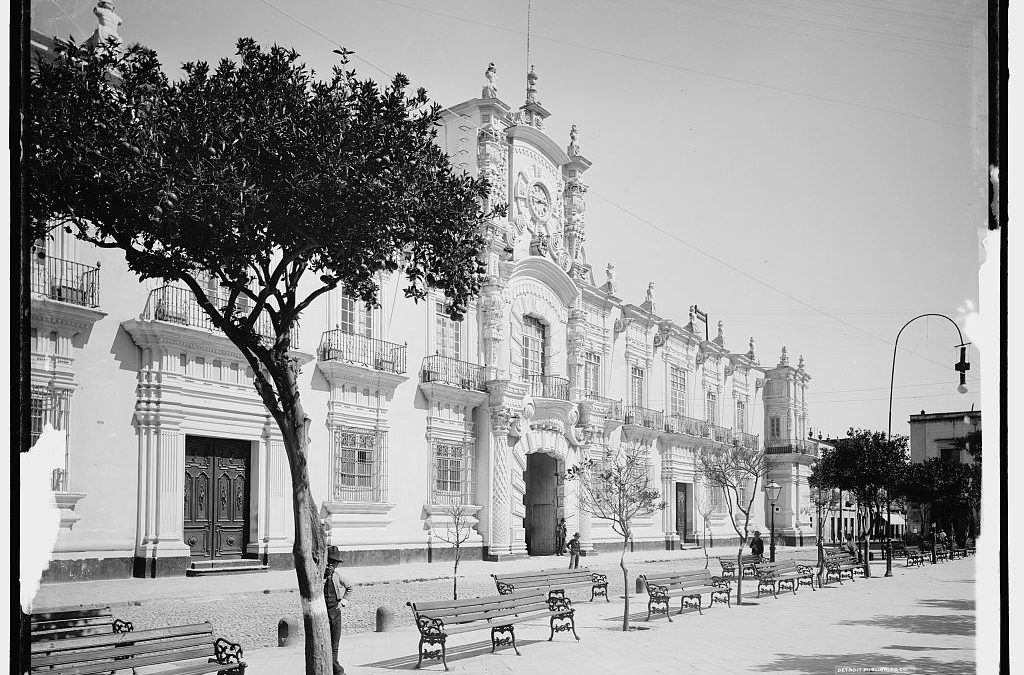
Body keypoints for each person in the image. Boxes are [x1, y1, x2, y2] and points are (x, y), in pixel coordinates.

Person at [324, 546, 354, 675]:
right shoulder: (320, 577)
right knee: (325, 642)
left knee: (334, 643)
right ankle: (337, 670)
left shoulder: (337, 576)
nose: (332, 565)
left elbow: (350, 587)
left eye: (334, 563)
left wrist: (342, 603)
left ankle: (335, 667)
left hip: (335, 611)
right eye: (329, 562)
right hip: (323, 612)